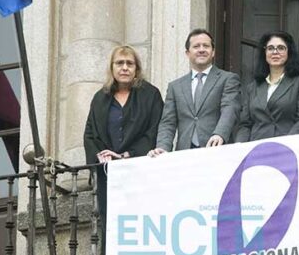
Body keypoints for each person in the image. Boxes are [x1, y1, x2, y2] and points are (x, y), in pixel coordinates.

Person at [84, 44, 164, 222]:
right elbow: (90, 134)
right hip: (109, 174)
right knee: (110, 222)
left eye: (130, 63)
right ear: (112, 68)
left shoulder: (150, 95)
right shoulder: (100, 98)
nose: (125, 68)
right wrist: (101, 155)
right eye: (119, 63)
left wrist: (127, 154)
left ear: (137, 69)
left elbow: (155, 130)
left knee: (141, 219)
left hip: (141, 169)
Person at [149, 29, 241, 155]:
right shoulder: (175, 86)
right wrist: (163, 147)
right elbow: (168, 122)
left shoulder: (228, 79)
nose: (201, 49)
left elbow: (229, 109)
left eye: (206, 46)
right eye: (196, 46)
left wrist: (220, 134)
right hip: (185, 154)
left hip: (217, 150)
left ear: (213, 52)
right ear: (187, 53)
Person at [235, 31, 299, 142]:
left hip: (288, 147)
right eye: (270, 48)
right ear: (265, 52)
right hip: (256, 149)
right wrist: (240, 146)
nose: (275, 52)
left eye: (281, 48)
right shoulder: (252, 87)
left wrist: (286, 145)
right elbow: (245, 125)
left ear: (289, 52)